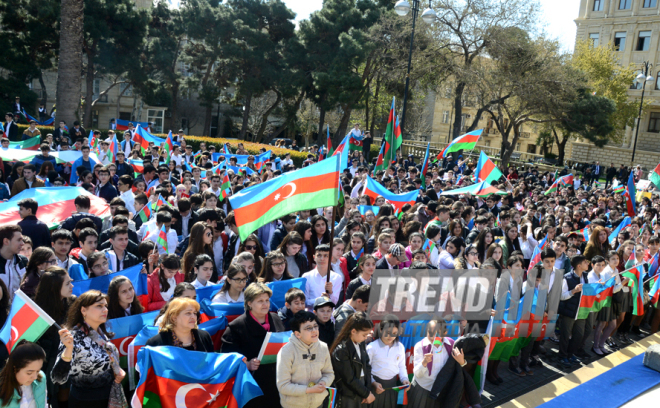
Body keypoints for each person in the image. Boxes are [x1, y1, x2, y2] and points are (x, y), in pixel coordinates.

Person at [52, 290, 126, 408]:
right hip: (85, 402)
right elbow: (58, 378)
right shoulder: (73, 337)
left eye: (105, 306)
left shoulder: (100, 333)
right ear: (83, 310)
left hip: (107, 397)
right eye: (99, 306)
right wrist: (68, 350)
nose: (105, 310)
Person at [221, 282, 285, 408]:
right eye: (260, 301)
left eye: (267, 300)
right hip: (253, 387)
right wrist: (247, 364)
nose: (265, 304)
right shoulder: (236, 327)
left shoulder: (276, 318)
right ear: (249, 303)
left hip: (278, 382)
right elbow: (228, 358)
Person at [276, 310, 335, 408]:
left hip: (318, 404)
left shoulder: (323, 347)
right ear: (298, 334)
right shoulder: (286, 351)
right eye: (308, 328)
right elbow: (283, 386)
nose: (314, 330)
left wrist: (323, 383)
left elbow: (329, 373)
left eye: (315, 326)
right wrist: (309, 390)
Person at [34, 267, 74, 408]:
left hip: (69, 356)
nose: (72, 286)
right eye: (68, 283)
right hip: (48, 359)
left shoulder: (72, 302)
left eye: (71, 282)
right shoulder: (38, 311)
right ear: (55, 287)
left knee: (66, 387)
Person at [330, 312, 376, 407]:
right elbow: (349, 378)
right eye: (364, 335)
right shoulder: (341, 350)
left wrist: (367, 391)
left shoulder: (361, 343)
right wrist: (366, 393)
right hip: (348, 395)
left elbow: (367, 366)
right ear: (353, 331)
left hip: (361, 390)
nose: (366, 337)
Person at [366, 316, 410, 408]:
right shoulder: (372, 347)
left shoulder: (400, 347)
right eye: (388, 333)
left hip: (392, 388)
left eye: (394, 333)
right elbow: (366, 369)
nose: (391, 336)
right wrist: (373, 383)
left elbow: (401, 366)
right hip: (375, 387)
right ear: (381, 330)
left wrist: (405, 379)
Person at [145, 297, 214, 351]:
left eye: (195, 313)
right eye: (188, 313)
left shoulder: (205, 337)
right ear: (174, 317)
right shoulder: (155, 343)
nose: (193, 317)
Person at [557, 254, 590, 368]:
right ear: (579, 266)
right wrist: (573, 291)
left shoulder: (585, 276)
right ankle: (562, 356)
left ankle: (570, 354)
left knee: (578, 335)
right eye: (586, 262)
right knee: (565, 335)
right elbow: (561, 296)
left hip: (581, 311)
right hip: (569, 312)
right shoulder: (567, 278)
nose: (588, 263)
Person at [0, 340, 48, 408]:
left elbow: (44, 405)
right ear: (14, 368)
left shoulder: (41, 378)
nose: (35, 377)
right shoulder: (2, 389)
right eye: (29, 373)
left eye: (38, 371)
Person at [302, 244, 343, 309]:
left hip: (328, 315)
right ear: (314, 257)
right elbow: (305, 302)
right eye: (319, 255)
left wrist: (330, 292)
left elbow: (334, 302)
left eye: (326, 256)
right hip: (312, 316)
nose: (322, 259)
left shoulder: (337, 277)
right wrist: (320, 300)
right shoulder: (306, 276)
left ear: (331, 258)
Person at [0, 225, 28, 300]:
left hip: (22, 309)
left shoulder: (24, 261)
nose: (22, 243)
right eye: (19, 240)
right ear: (6, 241)